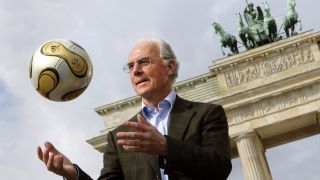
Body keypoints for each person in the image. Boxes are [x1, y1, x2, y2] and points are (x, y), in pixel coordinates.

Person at [37, 38, 232, 180]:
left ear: (170, 67)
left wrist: (166, 147)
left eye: (144, 62)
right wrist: (73, 174)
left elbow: (220, 167)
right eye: (130, 66)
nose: (136, 70)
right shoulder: (119, 135)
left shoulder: (207, 114)